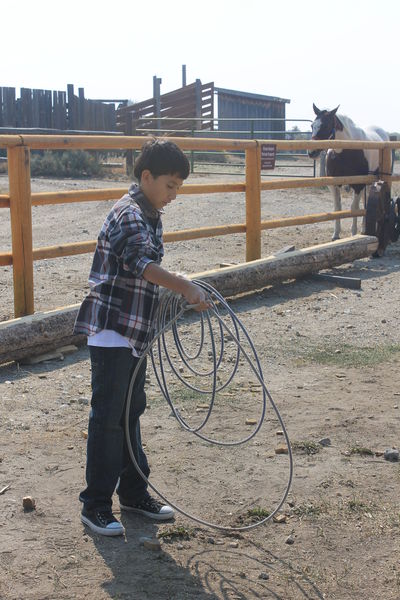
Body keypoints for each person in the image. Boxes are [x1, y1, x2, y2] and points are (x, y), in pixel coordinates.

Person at [74, 139, 209, 536]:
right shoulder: (129, 214)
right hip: (114, 330)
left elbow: (147, 272)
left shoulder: (150, 214)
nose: (173, 194)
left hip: (133, 331)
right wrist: (183, 286)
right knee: (109, 419)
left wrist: (181, 292)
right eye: (170, 185)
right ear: (146, 176)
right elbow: (142, 265)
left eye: (178, 187)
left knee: (130, 413)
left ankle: (133, 493)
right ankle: (95, 504)